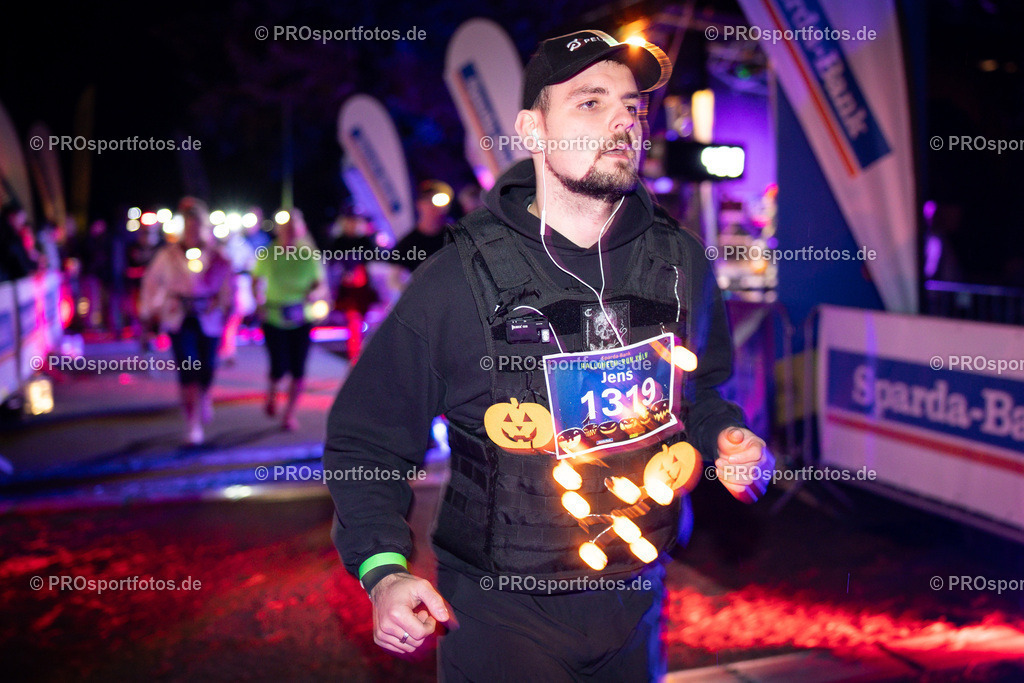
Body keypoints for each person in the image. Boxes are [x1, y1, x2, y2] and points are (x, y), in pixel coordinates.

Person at [323, 30, 774, 681]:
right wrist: (383, 568)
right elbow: (368, 440)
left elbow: (699, 392)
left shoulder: (680, 264)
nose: (624, 119)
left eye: (631, 105)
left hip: (638, 603)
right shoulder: (458, 280)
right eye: (590, 102)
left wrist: (729, 439)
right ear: (532, 130)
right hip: (500, 617)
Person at [140, 197, 234, 445]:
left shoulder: (219, 257)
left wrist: (226, 306)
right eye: (189, 226)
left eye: (198, 226)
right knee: (188, 368)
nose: (193, 231)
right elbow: (151, 282)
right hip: (179, 318)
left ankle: (205, 395)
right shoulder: (168, 255)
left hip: (209, 318)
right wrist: (149, 312)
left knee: (207, 367)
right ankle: (192, 424)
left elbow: (229, 287)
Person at [251, 208, 326, 431]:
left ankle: (289, 414)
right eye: (286, 229)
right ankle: (272, 394)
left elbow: (320, 284)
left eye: (294, 229)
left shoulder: (309, 254)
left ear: (301, 230)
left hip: (301, 316)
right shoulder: (267, 252)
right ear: (278, 230)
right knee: (278, 364)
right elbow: (255, 280)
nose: (290, 233)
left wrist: (315, 294)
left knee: (298, 368)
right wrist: (259, 303)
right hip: (273, 315)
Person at [328, 211, 379, 362]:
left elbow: (376, 261)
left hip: (365, 289)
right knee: (353, 321)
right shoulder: (339, 241)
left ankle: (362, 353)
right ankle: (355, 355)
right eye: (349, 221)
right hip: (348, 290)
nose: (352, 224)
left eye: (355, 221)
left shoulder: (366, 241)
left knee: (366, 322)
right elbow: (332, 263)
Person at [394, 180, 453, 271]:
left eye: (441, 201)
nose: (435, 206)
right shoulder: (406, 247)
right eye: (429, 200)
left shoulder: (455, 235)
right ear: (419, 204)